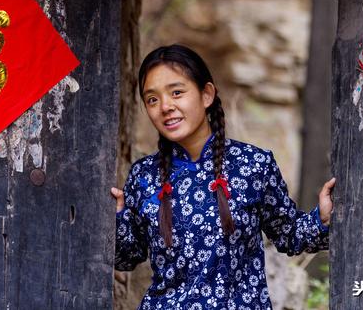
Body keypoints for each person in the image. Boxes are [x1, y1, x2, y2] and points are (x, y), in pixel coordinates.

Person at [111, 44, 336, 310]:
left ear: (206, 94)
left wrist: (321, 218)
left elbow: (289, 235)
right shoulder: (143, 176)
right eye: (152, 99)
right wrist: (116, 220)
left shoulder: (253, 165)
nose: (165, 106)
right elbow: (126, 257)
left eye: (177, 92)